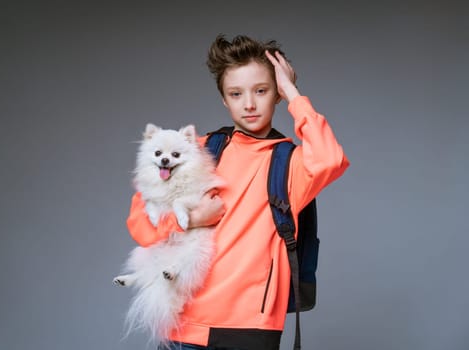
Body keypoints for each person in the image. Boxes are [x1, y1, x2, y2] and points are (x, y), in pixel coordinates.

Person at [126, 34, 350, 350]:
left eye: (261, 90)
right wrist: (189, 219)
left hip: (248, 329)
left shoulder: (291, 163)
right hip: (182, 326)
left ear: (277, 95)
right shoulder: (199, 151)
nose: (248, 104)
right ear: (224, 99)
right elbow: (141, 226)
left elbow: (331, 159)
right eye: (235, 93)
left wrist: (294, 94)